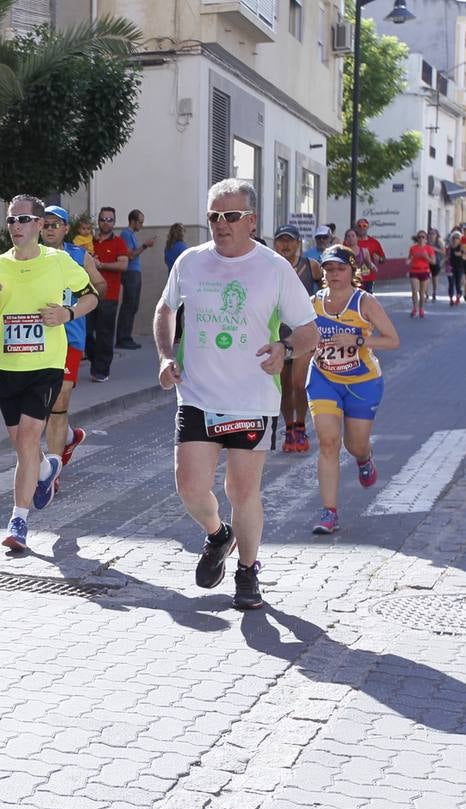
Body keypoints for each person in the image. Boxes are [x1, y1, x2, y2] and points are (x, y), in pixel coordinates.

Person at [153, 178, 317, 611]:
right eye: (213, 217)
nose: (220, 225)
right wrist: (166, 356)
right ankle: (217, 534)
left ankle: (247, 571)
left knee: (242, 490)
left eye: (230, 216)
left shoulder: (274, 267)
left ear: (251, 221)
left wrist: (284, 349)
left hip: (253, 398)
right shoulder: (190, 262)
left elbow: (309, 333)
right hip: (197, 394)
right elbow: (165, 309)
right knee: (190, 487)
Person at [0, 195, 98, 551]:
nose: (16, 227)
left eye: (23, 220)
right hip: (7, 367)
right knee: (22, 445)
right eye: (11, 221)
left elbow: (91, 297)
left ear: (40, 225)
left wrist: (67, 315)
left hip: (46, 366)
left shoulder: (59, 262)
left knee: (27, 440)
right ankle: (44, 469)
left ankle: (18, 522)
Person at [305, 245, 400, 535]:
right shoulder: (312, 302)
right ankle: (329, 512)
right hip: (324, 378)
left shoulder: (365, 302)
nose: (334, 274)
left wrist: (357, 340)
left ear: (351, 271)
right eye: (328, 269)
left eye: (340, 268)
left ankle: (364, 457)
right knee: (329, 442)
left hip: (362, 382)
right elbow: (300, 334)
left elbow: (392, 340)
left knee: (354, 444)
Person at [40, 205, 106, 490]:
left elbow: (100, 286)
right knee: (40, 403)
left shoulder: (80, 256)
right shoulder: (30, 257)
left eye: (57, 224)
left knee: (59, 401)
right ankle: (68, 437)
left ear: (66, 229)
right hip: (37, 338)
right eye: (46, 224)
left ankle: (51, 472)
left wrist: (84, 296)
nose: (51, 228)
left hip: (70, 337)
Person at [271, 225, 321, 454]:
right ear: (275, 243)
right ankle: (289, 428)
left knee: (300, 384)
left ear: (298, 242)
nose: (285, 245)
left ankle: (300, 426)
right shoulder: (269, 267)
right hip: (277, 332)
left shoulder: (310, 265)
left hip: (302, 332)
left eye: (289, 240)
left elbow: (325, 287)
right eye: (281, 240)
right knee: (284, 385)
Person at [89, 206, 130, 382]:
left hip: (109, 296)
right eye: (103, 219)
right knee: (86, 333)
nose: (106, 222)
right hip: (88, 294)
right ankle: (95, 360)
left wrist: (101, 265)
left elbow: (123, 266)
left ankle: (102, 370)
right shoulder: (90, 241)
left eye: (109, 220)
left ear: (114, 222)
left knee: (105, 334)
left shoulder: (119, 242)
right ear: (98, 221)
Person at [116, 209, 156, 350]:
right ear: (132, 221)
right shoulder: (126, 234)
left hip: (134, 272)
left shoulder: (131, 234)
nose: (141, 225)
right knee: (129, 305)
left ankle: (126, 336)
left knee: (132, 305)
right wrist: (145, 245)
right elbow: (130, 255)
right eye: (140, 222)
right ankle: (123, 338)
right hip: (130, 272)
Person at [354, 218, 386, 296]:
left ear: (368, 227)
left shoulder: (374, 242)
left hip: (369, 277)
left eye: (364, 226)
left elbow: (383, 259)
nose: (362, 228)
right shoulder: (351, 241)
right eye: (359, 226)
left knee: (368, 299)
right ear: (356, 227)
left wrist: (380, 259)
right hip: (354, 277)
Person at [407, 231, 434, 319]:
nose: (421, 239)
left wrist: (427, 257)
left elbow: (433, 262)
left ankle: (421, 309)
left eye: (423, 237)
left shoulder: (429, 249)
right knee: (414, 291)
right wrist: (408, 261)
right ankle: (415, 308)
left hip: (425, 271)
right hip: (414, 271)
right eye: (419, 237)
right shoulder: (413, 248)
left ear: (426, 239)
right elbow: (409, 258)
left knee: (422, 293)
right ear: (417, 238)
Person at [343, 228, 378, 293]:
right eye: (348, 236)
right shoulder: (343, 252)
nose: (351, 238)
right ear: (346, 239)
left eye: (353, 236)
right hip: (347, 282)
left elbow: (369, 264)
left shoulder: (364, 251)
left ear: (357, 238)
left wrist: (373, 266)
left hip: (361, 281)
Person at [448, 228, 464, 305]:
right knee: (451, 283)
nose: (455, 239)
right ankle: (451, 299)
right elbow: (447, 256)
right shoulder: (449, 247)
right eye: (454, 237)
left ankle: (458, 296)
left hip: (459, 267)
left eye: (457, 238)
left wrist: (460, 254)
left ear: (460, 239)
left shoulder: (461, 247)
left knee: (458, 283)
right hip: (450, 267)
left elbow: (465, 253)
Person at [427, 228, 443, 302]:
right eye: (430, 233)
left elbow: (443, 252)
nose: (432, 235)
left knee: (434, 278)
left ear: (436, 235)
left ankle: (434, 292)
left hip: (436, 262)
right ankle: (426, 293)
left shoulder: (439, 243)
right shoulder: (426, 242)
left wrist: (435, 249)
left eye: (433, 234)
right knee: (426, 278)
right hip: (426, 262)